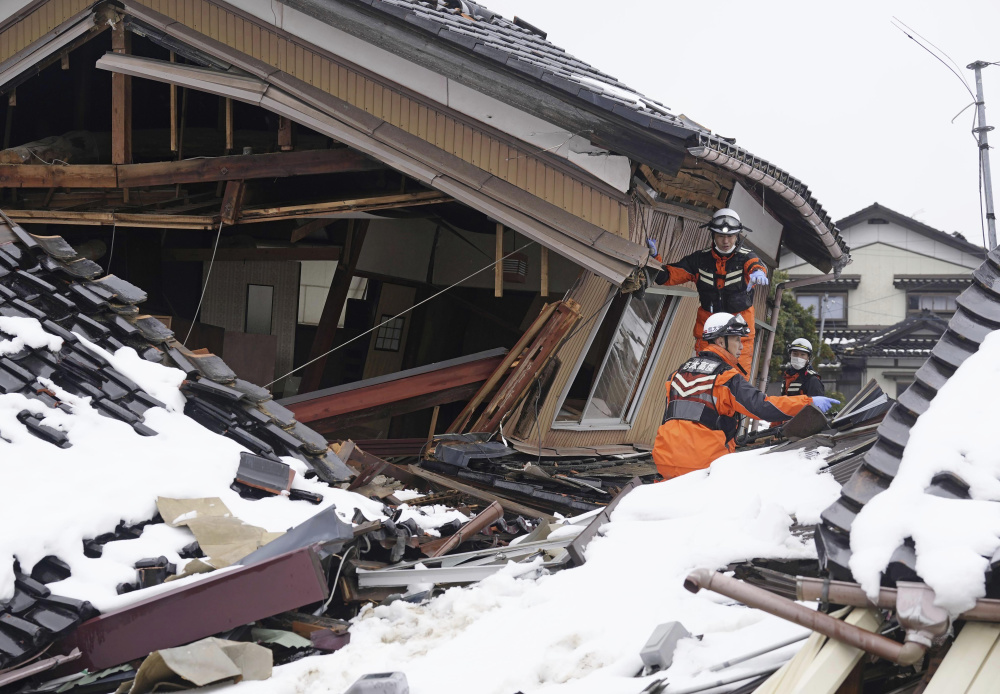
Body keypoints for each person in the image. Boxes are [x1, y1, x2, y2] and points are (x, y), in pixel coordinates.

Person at [652, 312, 839, 480]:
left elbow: (668, 417)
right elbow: (762, 407)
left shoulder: (677, 373)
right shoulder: (726, 377)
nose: (741, 346)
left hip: (665, 461)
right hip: (703, 465)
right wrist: (808, 401)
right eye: (737, 339)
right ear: (720, 341)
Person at [646, 208, 768, 373]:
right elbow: (666, 277)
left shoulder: (747, 256)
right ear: (713, 235)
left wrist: (759, 272)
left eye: (730, 236)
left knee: (736, 378)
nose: (726, 241)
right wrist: (653, 259)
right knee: (704, 375)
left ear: (737, 236)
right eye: (720, 236)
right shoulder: (699, 259)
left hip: (739, 330)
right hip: (708, 328)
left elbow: (755, 265)